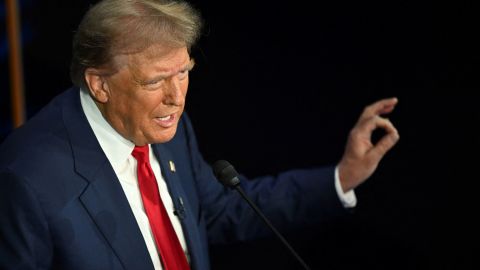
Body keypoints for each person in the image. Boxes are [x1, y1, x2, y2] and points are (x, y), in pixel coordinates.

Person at [0, 0, 399, 269]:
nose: (176, 98)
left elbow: (220, 211)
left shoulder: (166, 126)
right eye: (156, 80)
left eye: (184, 72)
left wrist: (342, 177)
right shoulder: (27, 180)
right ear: (100, 85)